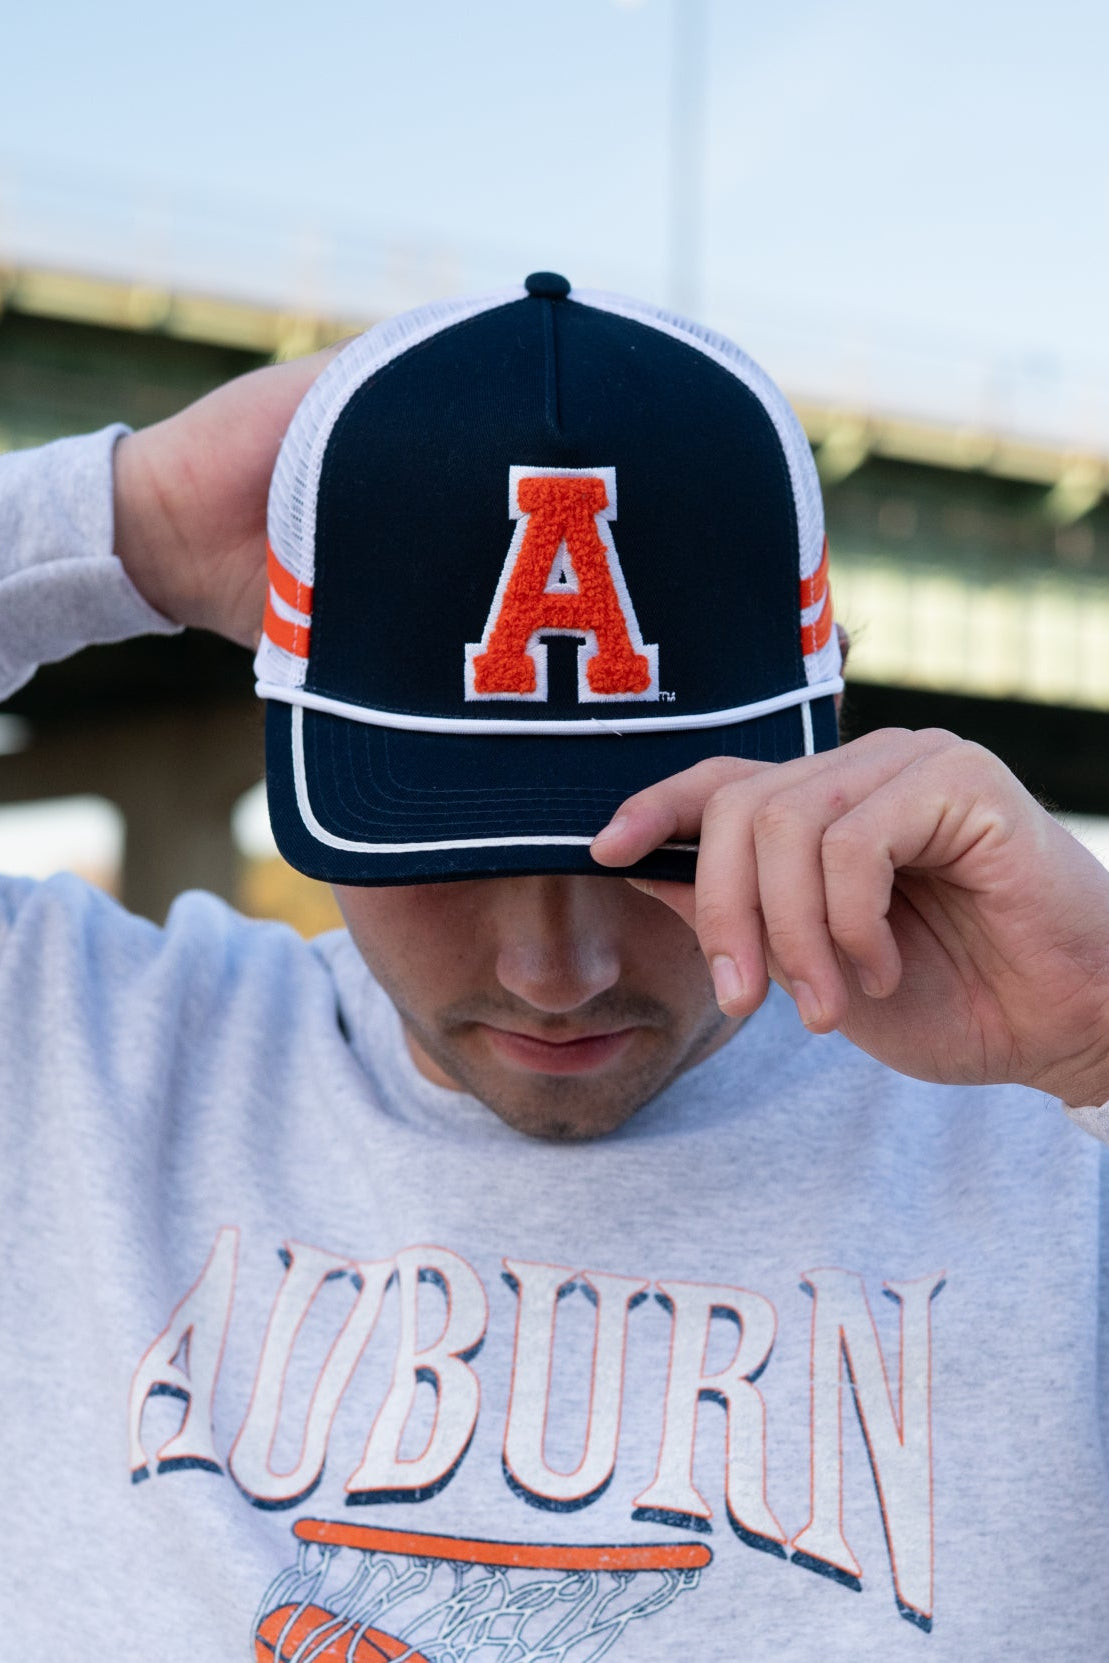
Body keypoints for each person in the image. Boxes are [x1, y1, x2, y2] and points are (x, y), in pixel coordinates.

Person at [2, 273, 1109, 1662]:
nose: (554, 971)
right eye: (439, 851)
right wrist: (122, 524)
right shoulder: (83, 1056)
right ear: (291, 729)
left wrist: (1099, 1035)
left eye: (664, 851)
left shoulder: (1052, 1124)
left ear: (827, 732)